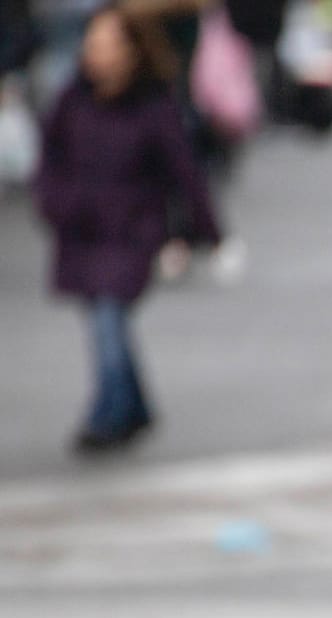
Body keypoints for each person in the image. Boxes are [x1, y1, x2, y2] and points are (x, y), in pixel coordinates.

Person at [33, 3, 221, 452]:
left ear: (134, 52)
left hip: (129, 231)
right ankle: (134, 407)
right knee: (104, 320)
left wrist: (205, 230)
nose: (98, 54)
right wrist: (55, 203)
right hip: (81, 228)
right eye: (94, 44)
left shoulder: (153, 106)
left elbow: (185, 172)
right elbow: (49, 158)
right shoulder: (72, 98)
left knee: (108, 319)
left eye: (109, 44)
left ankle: (107, 415)